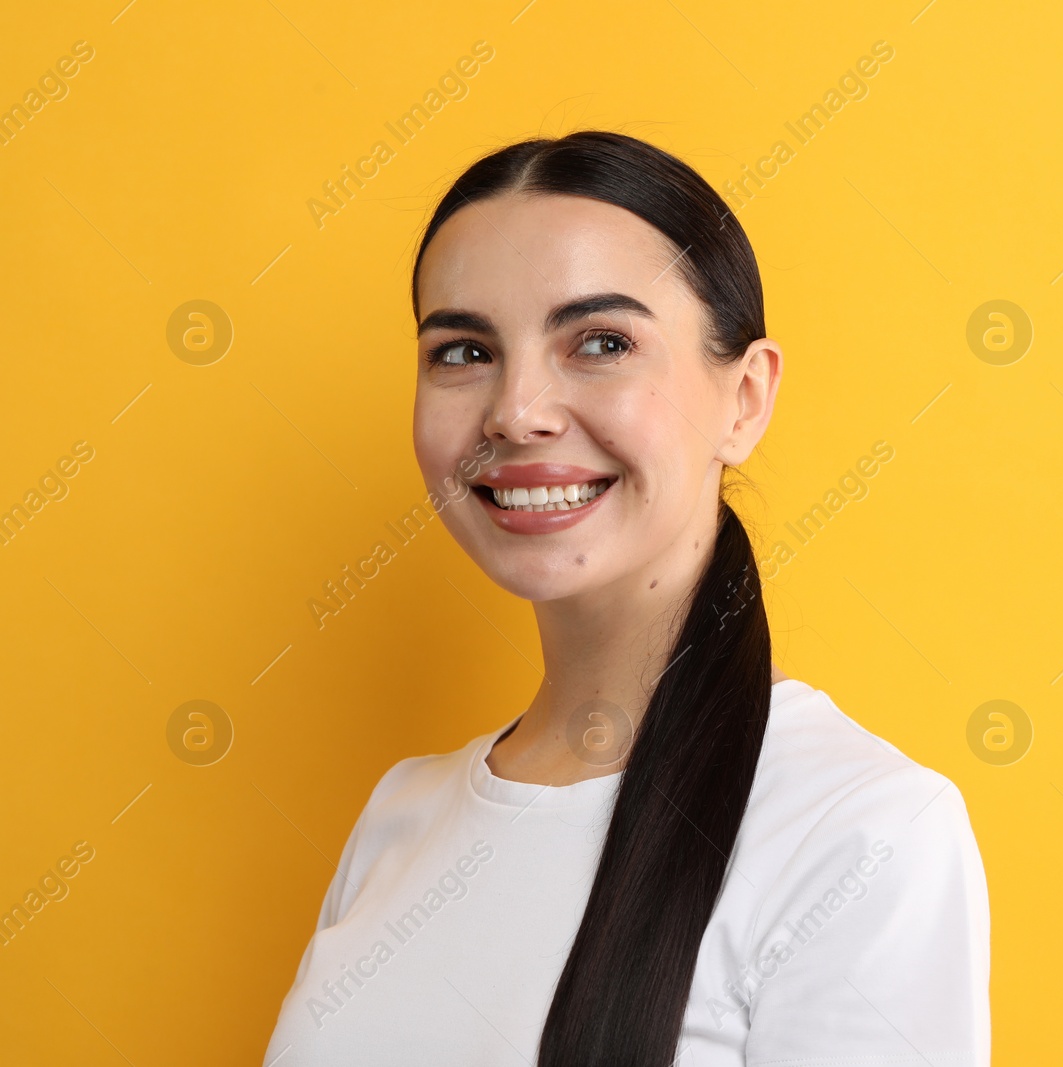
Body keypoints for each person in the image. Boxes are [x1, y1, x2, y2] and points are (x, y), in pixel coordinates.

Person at [263, 130, 989, 1067]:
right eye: (462, 350)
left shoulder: (864, 835)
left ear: (746, 399)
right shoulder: (399, 817)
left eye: (601, 342)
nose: (516, 409)